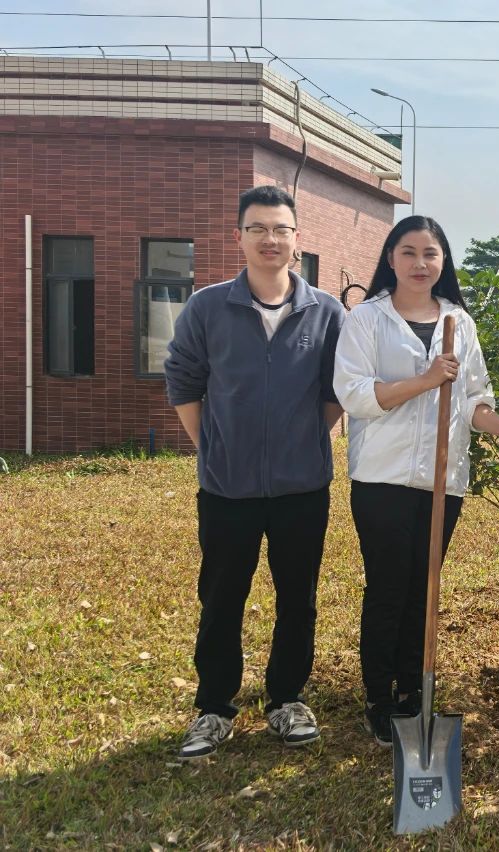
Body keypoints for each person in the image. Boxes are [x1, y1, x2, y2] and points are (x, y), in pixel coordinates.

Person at [333, 215, 499, 745]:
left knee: (423, 588)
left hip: (442, 480)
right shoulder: (367, 319)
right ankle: (379, 697)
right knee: (388, 587)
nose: (419, 263)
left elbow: (473, 398)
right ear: (390, 259)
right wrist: (426, 380)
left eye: (430, 253)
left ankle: (412, 690)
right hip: (382, 479)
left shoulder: (459, 321)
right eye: (408, 252)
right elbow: (354, 395)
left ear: (443, 261)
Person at [165, 185, 345, 759]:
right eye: (258, 228)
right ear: (239, 237)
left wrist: (306, 442)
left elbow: (335, 392)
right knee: (221, 598)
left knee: (298, 597)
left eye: (281, 229)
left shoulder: (326, 312)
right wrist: (212, 446)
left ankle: (286, 699)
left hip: (302, 488)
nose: (271, 239)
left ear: (297, 240)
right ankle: (215, 706)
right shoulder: (208, 307)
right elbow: (183, 380)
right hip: (228, 488)